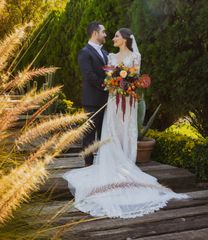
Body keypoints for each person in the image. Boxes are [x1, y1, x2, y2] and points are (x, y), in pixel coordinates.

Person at [63, 27, 189, 218]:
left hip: (128, 102)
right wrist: (113, 83)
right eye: (110, 34)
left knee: (125, 131)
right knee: (109, 131)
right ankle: (109, 163)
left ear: (125, 39)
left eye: (116, 36)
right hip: (114, 100)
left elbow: (135, 78)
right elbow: (106, 77)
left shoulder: (135, 56)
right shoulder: (111, 57)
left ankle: (124, 164)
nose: (112, 37)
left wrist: (128, 84)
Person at [78, 21, 109, 166]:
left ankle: (102, 164)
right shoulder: (85, 52)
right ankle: (88, 165)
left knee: (104, 133)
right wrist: (106, 85)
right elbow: (89, 75)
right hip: (92, 101)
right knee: (90, 135)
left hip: (106, 100)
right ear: (95, 33)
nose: (105, 35)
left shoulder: (105, 53)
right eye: (103, 32)